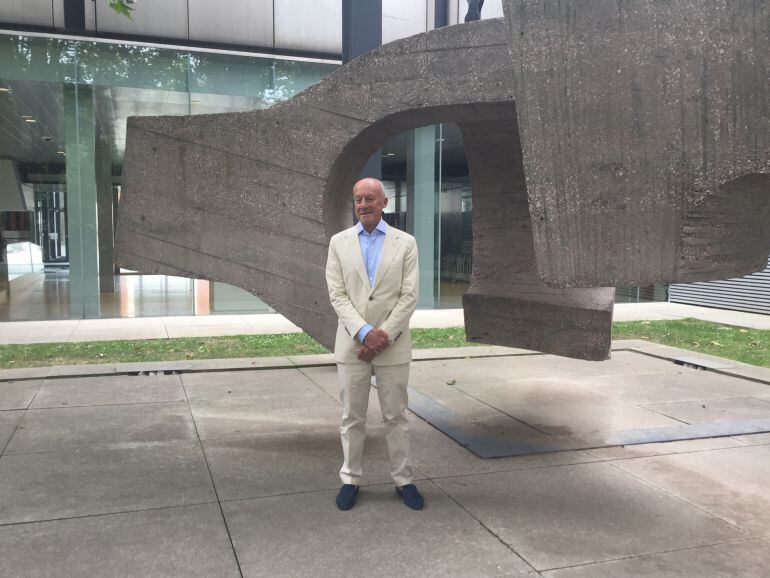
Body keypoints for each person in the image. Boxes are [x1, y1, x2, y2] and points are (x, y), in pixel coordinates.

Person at [325, 178, 423, 511]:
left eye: (370, 199)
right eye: (358, 200)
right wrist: (365, 331)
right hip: (353, 344)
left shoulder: (406, 243)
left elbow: (409, 295)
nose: (363, 204)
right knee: (351, 417)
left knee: (396, 416)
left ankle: (403, 479)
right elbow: (337, 294)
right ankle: (350, 479)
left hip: (394, 346)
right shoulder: (339, 243)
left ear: (384, 202)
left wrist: (383, 335)